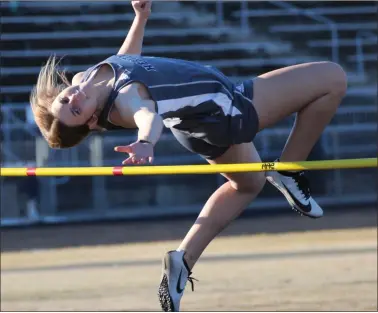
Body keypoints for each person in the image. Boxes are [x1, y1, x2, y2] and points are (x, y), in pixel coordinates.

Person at [30, 1, 347, 311]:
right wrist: (145, 141)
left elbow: (126, 59)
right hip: (226, 109)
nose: (73, 97)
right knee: (332, 78)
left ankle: (183, 259)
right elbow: (147, 115)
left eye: (65, 99)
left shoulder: (84, 79)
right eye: (75, 109)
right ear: (88, 121)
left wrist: (140, 18)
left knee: (247, 185)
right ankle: (289, 171)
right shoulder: (124, 101)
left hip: (201, 119)